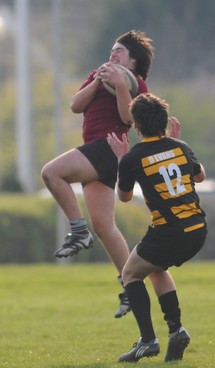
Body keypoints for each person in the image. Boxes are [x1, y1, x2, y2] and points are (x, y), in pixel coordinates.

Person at [41, 31, 154, 318]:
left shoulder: (137, 83)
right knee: (104, 227)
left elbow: (128, 119)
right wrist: (97, 82)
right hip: (96, 149)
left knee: (51, 173)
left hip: (107, 148)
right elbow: (76, 105)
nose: (113, 54)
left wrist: (119, 85)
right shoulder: (98, 75)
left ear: (133, 61)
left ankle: (78, 231)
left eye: (120, 52)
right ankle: (131, 285)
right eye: (112, 49)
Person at [107, 92, 207, 362]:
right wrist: (177, 142)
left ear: (136, 126)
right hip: (197, 229)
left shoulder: (133, 157)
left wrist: (121, 159)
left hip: (169, 231)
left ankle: (148, 341)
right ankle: (176, 332)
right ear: (165, 121)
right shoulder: (181, 146)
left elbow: (124, 198)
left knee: (130, 273)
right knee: (155, 268)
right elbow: (200, 175)